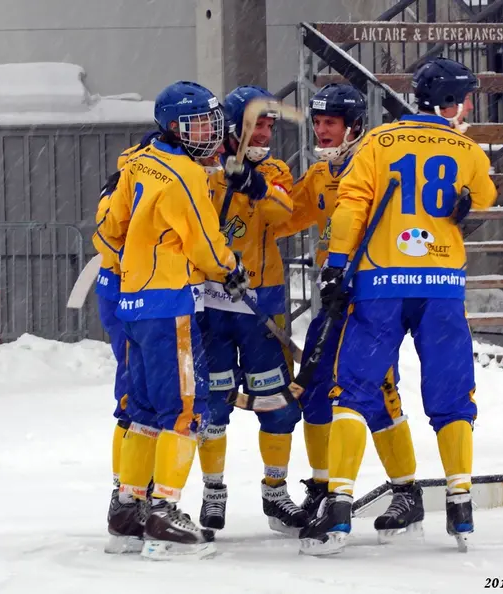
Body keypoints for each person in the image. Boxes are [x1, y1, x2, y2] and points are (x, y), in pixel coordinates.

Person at [299, 57, 498, 555]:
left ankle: (339, 511)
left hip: (380, 283)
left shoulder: (376, 144)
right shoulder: (468, 149)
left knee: (352, 388)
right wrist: (467, 195)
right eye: (465, 97)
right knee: (451, 391)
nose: (468, 105)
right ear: (450, 101)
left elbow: (350, 208)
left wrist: (334, 265)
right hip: (442, 284)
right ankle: (460, 504)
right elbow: (487, 196)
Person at [95, 80, 248, 559]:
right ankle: (164, 512)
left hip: (133, 304)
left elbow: (107, 229)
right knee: (185, 409)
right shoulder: (184, 174)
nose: (209, 132)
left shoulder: (137, 162)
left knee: (142, 411)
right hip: (168, 306)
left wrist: (134, 262)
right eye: (198, 123)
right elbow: (205, 241)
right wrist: (230, 269)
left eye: (211, 121)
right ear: (175, 127)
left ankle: (128, 509)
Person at [277, 84, 421, 528]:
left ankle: (407, 491)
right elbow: (285, 219)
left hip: (371, 298)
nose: (321, 131)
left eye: (330, 123)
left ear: (353, 126)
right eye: (318, 123)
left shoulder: (375, 165)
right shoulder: (320, 174)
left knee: (378, 392)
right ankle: (323, 487)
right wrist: (252, 191)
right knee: (316, 391)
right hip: (331, 298)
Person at [196, 85, 307, 538]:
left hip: (263, 300)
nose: (264, 133)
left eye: (268, 125)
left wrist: (255, 184)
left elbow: (286, 215)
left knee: (277, 402)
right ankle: (213, 490)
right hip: (210, 302)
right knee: (212, 402)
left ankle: (275, 491)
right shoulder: (201, 171)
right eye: (256, 124)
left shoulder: (275, 169)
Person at [93, 130, 159, 531]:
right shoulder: (129, 179)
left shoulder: (130, 174)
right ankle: (125, 494)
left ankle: (131, 490)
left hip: (133, 291)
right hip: (127, 291)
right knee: (135, 393)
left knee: (137, 390)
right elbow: (108, 237)